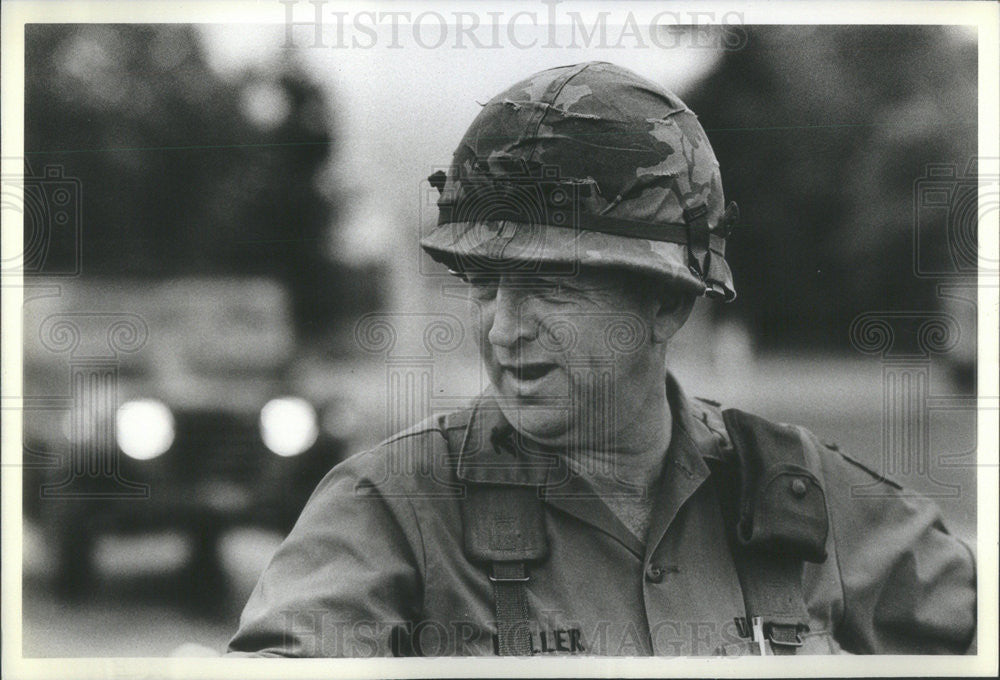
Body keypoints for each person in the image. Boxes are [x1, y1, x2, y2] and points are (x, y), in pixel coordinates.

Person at [226, 61, 976, 657]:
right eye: (486, 286)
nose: (503, 330)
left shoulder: (801, 497)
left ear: (666, 303)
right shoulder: (391, 508)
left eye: (550, 287)